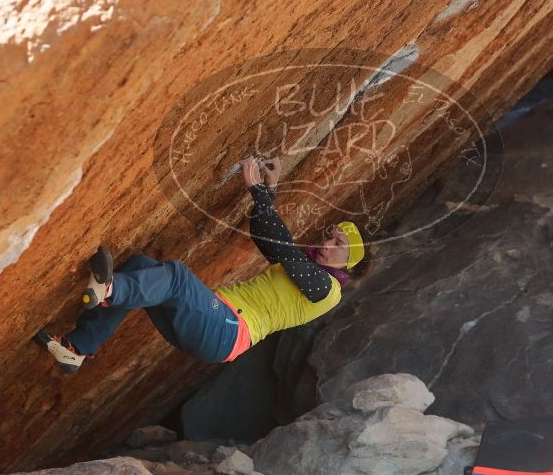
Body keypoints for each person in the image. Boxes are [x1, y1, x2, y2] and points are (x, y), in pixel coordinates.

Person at [33, 155, 370, 374]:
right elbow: (265, 236)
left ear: (349, 264)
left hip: (227, 331)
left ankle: (108, 289)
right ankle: (78, 348)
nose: (326, 244)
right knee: (140, 265)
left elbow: (284, 250)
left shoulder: (328, 291)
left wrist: (257, 189)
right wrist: (268, 189)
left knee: (176, 277)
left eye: (338, 245)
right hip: (216, 326)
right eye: (330, 236)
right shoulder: (305, 269)